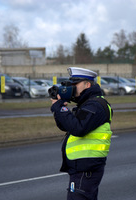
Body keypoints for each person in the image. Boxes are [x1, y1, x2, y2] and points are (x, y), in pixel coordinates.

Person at [50, 67, 113, 200]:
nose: (72, 88)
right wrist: (60, 108)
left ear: (87, 84)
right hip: (81, 167)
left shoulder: (95, 105)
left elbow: (78, 128)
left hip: (86, 169)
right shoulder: (86, 104)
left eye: (75, 84)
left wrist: (60, 108)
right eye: (70, 84)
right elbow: (66, 126)